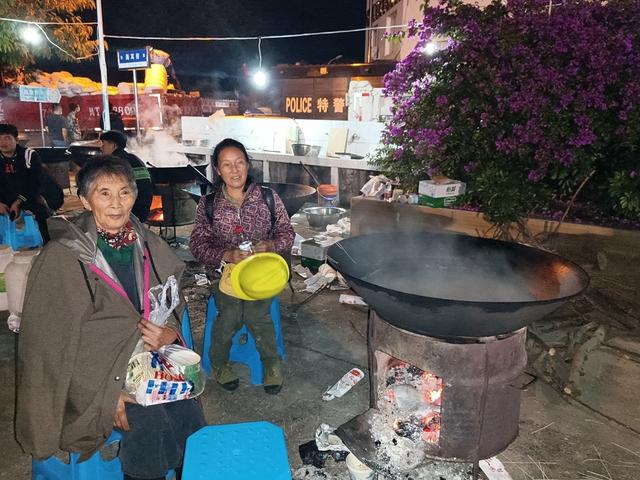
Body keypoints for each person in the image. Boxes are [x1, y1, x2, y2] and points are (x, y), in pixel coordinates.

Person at [16, 156, 205, 480]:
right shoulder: (62, 257)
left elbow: (172, 298)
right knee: (149, 421)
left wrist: (169, 331)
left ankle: (191, 472)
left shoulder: (146, 243)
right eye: (105, 193)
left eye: (124, 193)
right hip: (87, 374)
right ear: (87, 199)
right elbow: (46, 351)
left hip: (143, 360)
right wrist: (108, 395)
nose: (117, 204)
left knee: (189, 414)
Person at [189, 138, 295, 394]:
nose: (234, 170)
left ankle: (271, 365)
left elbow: (288, 233)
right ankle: (219, 363)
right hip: (225, 274)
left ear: (248, 165)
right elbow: (197, 245)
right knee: (230, 316)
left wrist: (269, 245)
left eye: (239, 163)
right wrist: (226, 254)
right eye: (227, 165)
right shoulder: (209, 205)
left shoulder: (268, 198)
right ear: (217, 169)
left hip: (262, 274)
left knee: (258, 315)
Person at [0, 123, 51, 242]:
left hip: (27, 197)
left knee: (39, 214)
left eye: (7, 138)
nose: (2, 142)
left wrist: (19, 202)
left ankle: (45, 245)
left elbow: (35, 183)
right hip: (3, 201)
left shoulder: (28, 155)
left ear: (16, 140)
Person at [100, 130, 153, 222]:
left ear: (113, 145)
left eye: (104, 144)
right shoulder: (135, 159)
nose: (101, 148)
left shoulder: (113, 162)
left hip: (128, 213)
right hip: (143, 211)